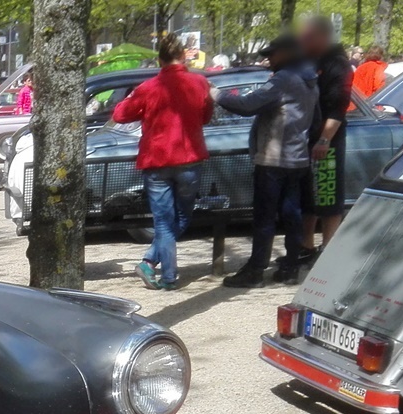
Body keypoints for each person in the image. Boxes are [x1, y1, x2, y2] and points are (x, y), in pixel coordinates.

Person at [112, 32, 215, 290]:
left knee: (163, 222)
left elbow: (120, 115)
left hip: (156, 160)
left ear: (159, 61)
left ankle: (158, 268)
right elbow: (206, 116)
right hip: (189, 158)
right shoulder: (199, 83)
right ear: (183, 57)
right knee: (182, 218)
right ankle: (155, 266)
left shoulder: (147, 88)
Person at [215, 35, 317, 288]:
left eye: (272, 54)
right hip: (298, 160)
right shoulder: (311, 80)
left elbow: (248, 105)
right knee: (292, 215)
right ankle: (291, 267)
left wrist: (214, 93)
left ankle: (255, 271)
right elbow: (317, 119)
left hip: (274, 160)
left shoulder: (283, 79)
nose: (268, 59)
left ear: (287, 54)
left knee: (264, 217)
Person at [299, 18, 354, 263]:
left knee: (328, 195)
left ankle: (327, 251)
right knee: (308, 196)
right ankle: (306, 247)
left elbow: (338, 108)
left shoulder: (338, 64)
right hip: (306, 137)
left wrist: (324, 139)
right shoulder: (308, 60)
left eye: (308, 37)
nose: (304, 41)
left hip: (327, 140)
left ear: (322, 37)